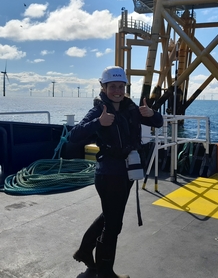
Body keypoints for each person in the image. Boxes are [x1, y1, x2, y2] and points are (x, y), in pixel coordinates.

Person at [69, 66, 163, 278]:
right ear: (103, 87)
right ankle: (105, 273)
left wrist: (152, 114)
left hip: (128, 172)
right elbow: (74, 135)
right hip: (109, 174)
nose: (117, 90)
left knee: (109, 216)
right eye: (112, 86)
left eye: (121, 86)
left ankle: (85, 251)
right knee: (113, 225)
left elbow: (159, 122)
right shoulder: (98, 111)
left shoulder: (131, 109)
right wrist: (98, 123)